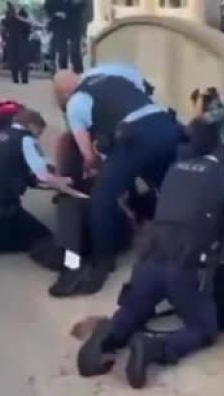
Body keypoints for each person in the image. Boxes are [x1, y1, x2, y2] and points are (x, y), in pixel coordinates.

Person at [76, 121, 224, 388]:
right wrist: (219, 257)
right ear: (219, 145)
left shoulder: (174, 170)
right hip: (187, 265)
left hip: (150, 257)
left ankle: (107, 336)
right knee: (204, 328)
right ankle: (155, 347)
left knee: (134, 310)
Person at [49, 66, 181, 296]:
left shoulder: (76, 103)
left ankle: (103, 260)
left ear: (63, 93)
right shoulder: (112, 79)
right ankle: (178, 242)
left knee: (102, 199)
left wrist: (95, 167)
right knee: (167, 187)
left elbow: (88, 156)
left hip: (136, 137)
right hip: (166, 126)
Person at [0, 109, 84, 262]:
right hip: (0, 207)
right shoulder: (26, 140)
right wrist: (68, 183)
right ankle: (72, 264)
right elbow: (44, 177)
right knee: (42, 237)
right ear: (32, 126)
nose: (39, 136)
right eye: (39, 132)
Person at [45, 0, 84, 74]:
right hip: (59, 26)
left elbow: (82, 6)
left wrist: (77, 3)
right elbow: (47, 8)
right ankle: (63, 73)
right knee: (62, 52)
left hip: (73, 25)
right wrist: (56, 14)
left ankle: (78, 73)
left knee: (75, 51)